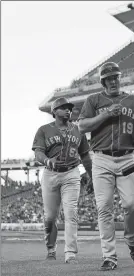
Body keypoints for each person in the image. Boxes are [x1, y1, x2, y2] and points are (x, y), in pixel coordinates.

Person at [78, 62, 134, 271]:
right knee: (104, 208)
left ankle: (131, 241)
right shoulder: (93, 100)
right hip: (101, 159)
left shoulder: (133, 99)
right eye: (109, 78)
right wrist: (106, 114)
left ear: (120, 79)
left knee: (132, 205)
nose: (113, 81)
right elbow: (82, 125)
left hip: (127, 157)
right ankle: (109, 256)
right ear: (103, 82)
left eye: (116, 77)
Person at [32, 97, 93, 264]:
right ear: (54, 112)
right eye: (63, 107)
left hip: (72, 173)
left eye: (69, 108)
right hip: (51, 173)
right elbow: (38, 152)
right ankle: (51, 249)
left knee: (71, 213)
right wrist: (47, 160)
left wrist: (91, 175)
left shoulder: (78, 130)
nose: (68, 110)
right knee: (50, 217)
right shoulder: (44, 130)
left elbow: (86, 155)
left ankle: (70, 253)